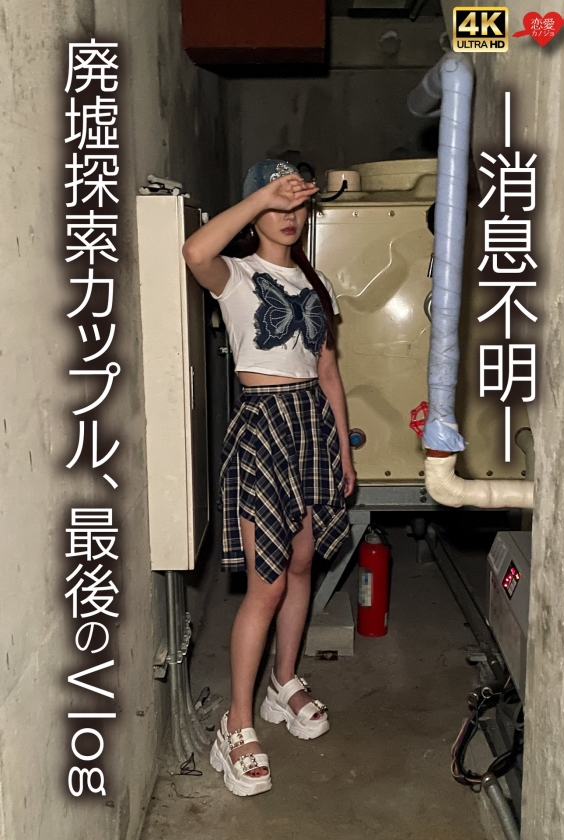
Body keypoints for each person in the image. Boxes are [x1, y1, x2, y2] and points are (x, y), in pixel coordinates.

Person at [182, 159, 356, 797]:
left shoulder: (316, 282)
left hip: (311, 424)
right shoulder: (235, 275)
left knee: (303, 563)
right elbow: (194, 250)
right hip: (263, 424)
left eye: (297, 203)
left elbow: (328, 372)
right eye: (277, 203)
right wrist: (260, 197)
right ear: (255, 209)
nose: (289, 215)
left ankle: (284, 682)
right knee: (268, 582)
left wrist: (343, 452)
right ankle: (236, 723)